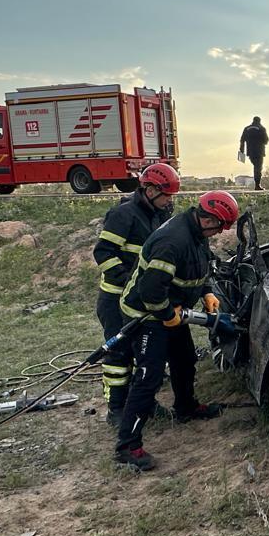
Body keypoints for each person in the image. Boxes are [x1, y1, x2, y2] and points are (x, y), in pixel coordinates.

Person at [114, 190, 240, 471]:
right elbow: (150, 290)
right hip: (146, 314)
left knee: (184, 359)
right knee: (149, 376)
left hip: (171, 309)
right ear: (208, 220)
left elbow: (200, 265)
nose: (219, 233)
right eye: (219, 227)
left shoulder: (195, 232)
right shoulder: (172, 241)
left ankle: (186, 407)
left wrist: (206, 291)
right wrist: (167, 315)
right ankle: (128, 446)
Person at [92, 162, 179, 429]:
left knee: (145, 355)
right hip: (115, 298)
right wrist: (128, 280)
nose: (169, 200)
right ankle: (116, 407)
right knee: (118, 355)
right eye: (166, 195)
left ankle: (144, 402)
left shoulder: (159, 214)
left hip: (140, 299)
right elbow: (103, 253)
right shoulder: (124, 214)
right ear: (150, 190)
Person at [238, 117, 269, 191]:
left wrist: (242, 151)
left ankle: (257, 184)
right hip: (259, 151)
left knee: (256, 166)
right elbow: (266, 140)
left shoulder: (246, 129)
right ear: (259, 121)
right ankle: (257, 185)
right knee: (258, 167)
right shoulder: (261, 128)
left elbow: (242, 140)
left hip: (250, 152)